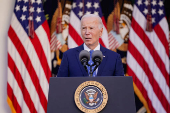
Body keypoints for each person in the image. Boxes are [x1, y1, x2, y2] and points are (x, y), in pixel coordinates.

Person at [57, 14, 124, 77]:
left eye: (91, 28)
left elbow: (120, 86)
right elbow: (60, 85)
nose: (87, 32)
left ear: (100, 32)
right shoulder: (68, 56)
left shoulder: (114, 58)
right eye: (84, 28)